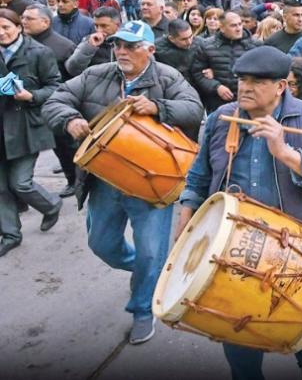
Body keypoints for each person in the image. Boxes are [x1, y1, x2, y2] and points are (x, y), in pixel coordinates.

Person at [177, 46, 302, 380]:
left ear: (281, 86)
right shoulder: (221, 119)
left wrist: (285, 152)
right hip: (231, 247)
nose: (245, 88)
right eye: (242, 80)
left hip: (292, 243)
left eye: (256, 81)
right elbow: (198, 177)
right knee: (236, 329)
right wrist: (185, 228)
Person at [42, 20, 202, 344]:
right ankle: (149, 274)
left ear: (151, 50)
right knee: (102, 245)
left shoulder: (168, 77)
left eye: (131, 46)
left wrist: (160, 107)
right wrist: (70, 119)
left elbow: (194, 109)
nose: (122, 51)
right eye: (117, 45)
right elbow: (55, 101)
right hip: (105, 181)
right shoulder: (95, 74)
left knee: (150, 252)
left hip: (152, 184)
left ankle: (143, 309)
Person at [0, 9, 62, 257]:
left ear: (19, 27)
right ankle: (10, 234)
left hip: (26, 126)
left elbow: (56, 87)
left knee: (20, 183)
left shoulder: (39, 53)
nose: (2, 33)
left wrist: (32, 96)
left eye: (6, 27)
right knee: (1, 188)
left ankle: (50, 205)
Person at [191, 11, 262, 112]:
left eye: (240, 24)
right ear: (222, 28)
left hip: (249, 100)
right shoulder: (206, 46)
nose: (238, 28)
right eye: (233, 25)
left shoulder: (256, 46)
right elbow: (197, 73)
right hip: (217, 102)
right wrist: (216, 87)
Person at [64, 7, 122, 77]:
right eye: (96, 26)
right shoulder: (90, 41)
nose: (99, 30)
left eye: (104, 26)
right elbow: (72, 69)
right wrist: (89, 47)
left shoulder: (127, 42)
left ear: (118, 25)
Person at [153, 19, 200, 90]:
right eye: (184, 39)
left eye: (191, 36)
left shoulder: (199, 42)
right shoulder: (156, 50)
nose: (189, 42)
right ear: (171, 38)